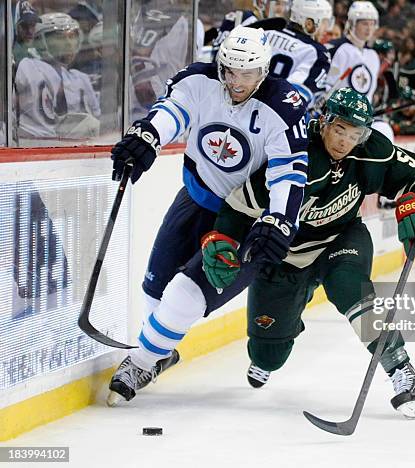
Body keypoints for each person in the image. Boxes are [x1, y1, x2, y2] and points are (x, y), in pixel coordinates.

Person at [211, 88, 415, 418]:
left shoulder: (371, 151)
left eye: (354, 134)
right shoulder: (293, 152)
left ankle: (402, 374)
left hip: (341, 238)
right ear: (324, 122)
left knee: (350, 289)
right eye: (339, 130)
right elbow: (238, 207)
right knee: (267, 356)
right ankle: (288, 313)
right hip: (285, 256)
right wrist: (221, 240)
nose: (344, 142)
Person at [107, 26, 309, 404]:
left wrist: (280, 219)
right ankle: (161, 352)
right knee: (154, 290)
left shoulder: (284, 105)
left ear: (263, 71)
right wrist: (148, 135)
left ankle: (141, 360)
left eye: (246, 73)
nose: (235, 81)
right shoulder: (200, 78)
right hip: (196, 198)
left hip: (246, 219)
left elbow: (289, 171)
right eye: (229, 71)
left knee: (185, 293)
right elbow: (173, 111)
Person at [15, 12, 101, 143]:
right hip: (36, 148)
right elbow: (41, 135)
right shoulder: (29, 68)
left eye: (72, 37)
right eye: (60, 38)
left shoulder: (79, 78)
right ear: (40, 42)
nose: (69, 44)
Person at [266, 0, 332, 111]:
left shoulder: (268, 32)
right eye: (324, 22)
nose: (326, 29)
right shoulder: (318, 52)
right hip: (276, 113)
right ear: (309, 24)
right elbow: (296, 99)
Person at [324, 1, 380, 105]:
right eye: (364, 23)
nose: (369, 28)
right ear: (352, 23)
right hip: (335, 111)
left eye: (372, 24)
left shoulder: (373, 55)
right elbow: (326, 84)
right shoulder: (336, 47)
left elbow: (369, 94)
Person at [12, 1, 41, 67]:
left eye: (33, 25)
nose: (29, 31)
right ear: (16, 27)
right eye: (25, 26)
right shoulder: (15, 55)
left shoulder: (34, 51)